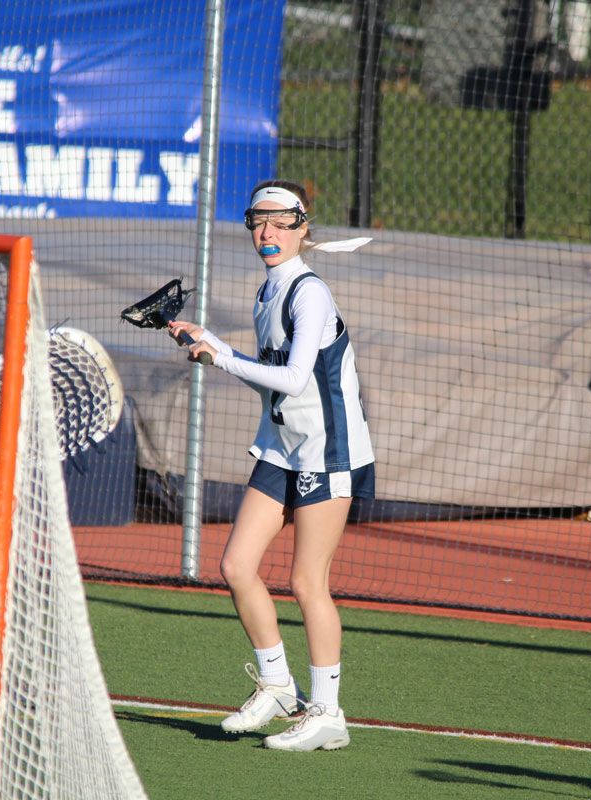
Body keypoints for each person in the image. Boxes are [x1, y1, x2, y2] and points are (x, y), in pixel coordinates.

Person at [168, 180, 375, 752]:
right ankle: (279, 686)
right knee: (236, 566)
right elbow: (269, 368)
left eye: (281, 223)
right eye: (258, 222)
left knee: (308, 582)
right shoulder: (268, 291)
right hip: (282, 448)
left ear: (303, 228)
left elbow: (293, 377)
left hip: (327, 453)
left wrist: (223, 357)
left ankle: (329, 713)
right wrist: (206, 337)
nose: (268, 233)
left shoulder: (310, 293)